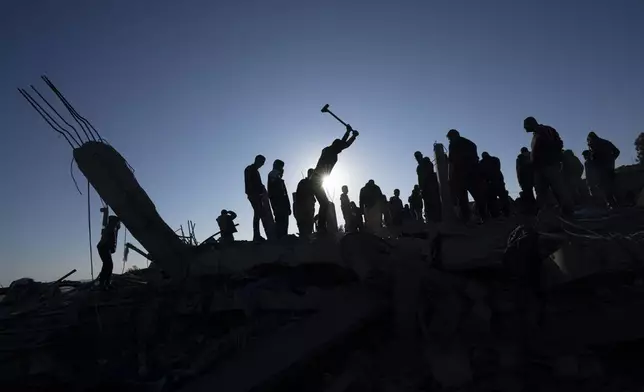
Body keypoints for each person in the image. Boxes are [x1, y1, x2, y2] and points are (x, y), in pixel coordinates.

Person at [312, 125, 358, 234]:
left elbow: (342, 143)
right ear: (337, 147)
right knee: (324, 203)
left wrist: (347, 132)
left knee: (324, 203)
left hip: (317, 180)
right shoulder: (330, 151)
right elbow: (345, 144)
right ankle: (320, 227)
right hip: (316, 180)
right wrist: (354, 136)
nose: (341, 151)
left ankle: (320, 226)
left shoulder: (329, 149)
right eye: (339, 148)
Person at [523, 117, 573, 216]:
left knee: (557, 188)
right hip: (540, 167)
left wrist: (550, 158)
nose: (525, 129)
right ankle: (547, 213)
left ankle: (567, 211)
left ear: (531, 124)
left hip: (548, 165)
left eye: (526, 126)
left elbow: (555, 145)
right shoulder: (537, 133)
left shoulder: (544, 130)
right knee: (542, 191)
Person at [446, 129, 487, 223]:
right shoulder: (471, 143)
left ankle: (466, 219)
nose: (449, 140)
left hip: (461, 173)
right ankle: (484, 217)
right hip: (474, 172)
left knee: (462, 198)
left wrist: (450, 177)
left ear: (453, 136)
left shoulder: (453, 144)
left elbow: (451, 161)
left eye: (449, 138)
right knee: (478, 195)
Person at [587, 131, 620, 208]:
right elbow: (617, 151)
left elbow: (594, 158)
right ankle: (614, 203)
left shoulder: (594, 144)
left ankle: (611, 204)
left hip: (601, 169)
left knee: (604, 186)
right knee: (610, 185)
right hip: (610, 167)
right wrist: (612, 159)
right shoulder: (606, 142)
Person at [244, 155, 267, 241]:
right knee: (257, 213)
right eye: (262, 162)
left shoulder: (255, 171)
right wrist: (256, 192)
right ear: (257, 160)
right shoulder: (250, 169)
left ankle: (257, 235)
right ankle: (256, 236)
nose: (262, 165)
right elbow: (250, 183)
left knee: (258, 214)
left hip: (256, 194)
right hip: (253, 194)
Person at [480, 152, 510, 218]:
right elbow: (498, 168)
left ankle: (496, 215)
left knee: (492, 199)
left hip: (490, 183)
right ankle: (507, 212)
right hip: (497, 181)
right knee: (502, 197)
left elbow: (481, 174)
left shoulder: (481, 163)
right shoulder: (495, 159)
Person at [414, 151, 442, 222]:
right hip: (426, 189)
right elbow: (420, 179)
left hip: (431, 187)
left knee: (434, 204)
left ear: (421, 156)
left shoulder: (425, 163)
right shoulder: (419, 167)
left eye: (418, 156)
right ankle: (432, 220)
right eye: (416, 157)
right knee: (429, 206)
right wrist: (421, 189)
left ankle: (437, 219)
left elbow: (427, 174)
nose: (417, 158)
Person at [267, 159, 291, 238]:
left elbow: (284, 194)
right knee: (280, 221)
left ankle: (283, 238)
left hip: (282, 204)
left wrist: (288, 206)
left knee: (284, 222)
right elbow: (275, 192)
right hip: (278, 204)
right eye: (281, 167)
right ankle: (280, 239)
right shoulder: (273, 175)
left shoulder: (279, 179)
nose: (282, 169)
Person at [97, 215, 120, 290]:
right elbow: (111, 232)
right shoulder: (110, 228)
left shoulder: (112, 228)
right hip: (103, 247)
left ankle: (105, 283)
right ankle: (103, 283)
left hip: (104, 247)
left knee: (107, 265)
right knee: (108, 264)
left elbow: (116, 230)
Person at [295, 168, 316, 237]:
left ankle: (308, 236)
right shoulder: (303, 182)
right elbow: (298, 195)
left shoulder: (312, 183)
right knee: (304, 223)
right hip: (303, 207)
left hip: (309, 206)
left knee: (310, 222)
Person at [516, 147, 535, 212]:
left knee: (529, 194)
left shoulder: (519, 159)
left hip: (525, 179)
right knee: (540, 192)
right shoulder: (532, 155)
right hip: (534, 176)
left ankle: (533, 209)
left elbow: (518, 171)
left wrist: (520, 181)